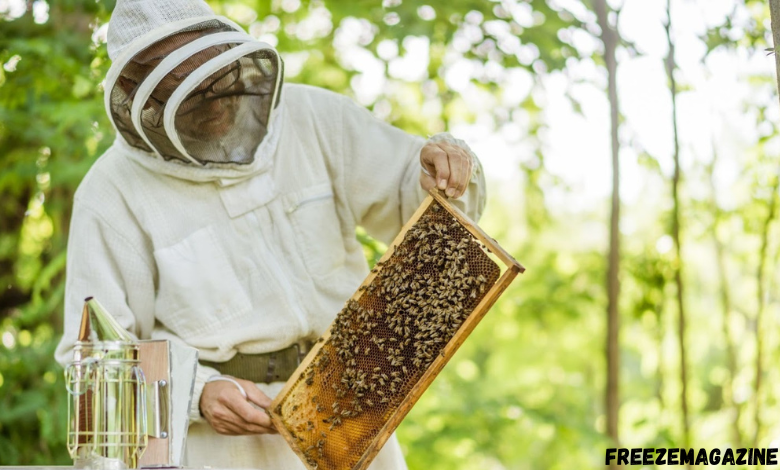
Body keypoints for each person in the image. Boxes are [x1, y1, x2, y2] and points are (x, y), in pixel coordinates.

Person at [55, 0, 486, 468]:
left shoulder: (316, 118)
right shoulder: (111, 193)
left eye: (218, 80)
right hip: (215, 445)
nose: (214, 102)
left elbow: (419, 209)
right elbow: (99, 361)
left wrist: (441, 172)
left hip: (348, 407)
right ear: (143, 98)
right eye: (189, 93)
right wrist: (196, 394)